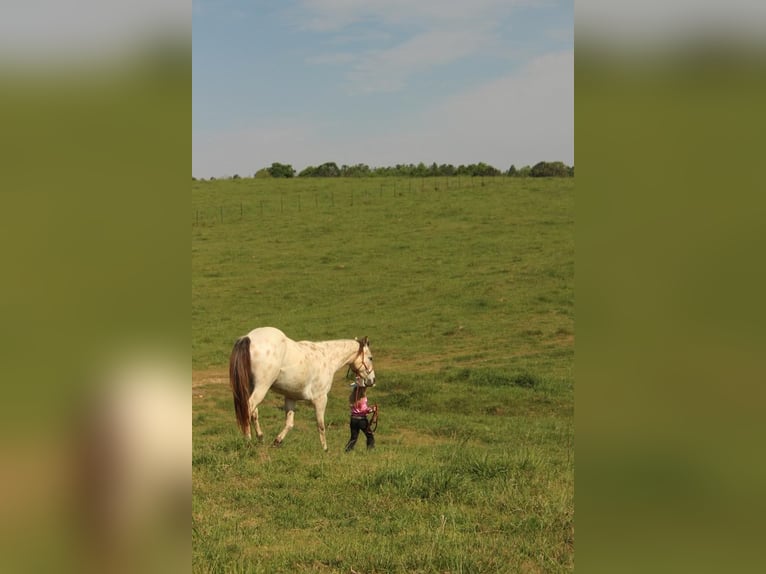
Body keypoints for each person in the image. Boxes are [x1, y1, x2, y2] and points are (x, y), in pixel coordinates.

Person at [344, 379, 376, 452]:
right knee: (369, 435)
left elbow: (356, 408)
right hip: (361, 420)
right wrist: (371, 410)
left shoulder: (352, 398)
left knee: (354, 437)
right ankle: (370, 451)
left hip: (353, 419)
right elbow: (364, 410)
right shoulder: (362, 398)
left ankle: (347, 450)